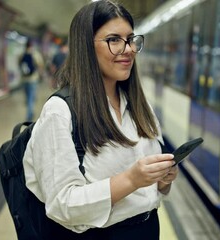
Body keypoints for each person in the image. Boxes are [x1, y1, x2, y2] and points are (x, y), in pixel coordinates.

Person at [22, 1, 178, 239]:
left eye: (130, 39)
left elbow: (148, 189)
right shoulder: (60, 112)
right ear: (85, 46)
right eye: (114, 40)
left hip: (147, 229)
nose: (128, 49)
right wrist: (131, 179)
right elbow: (62, 204)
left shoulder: (137, 104)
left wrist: (162, 180)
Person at [19, 40, 44, 121]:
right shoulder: (35, 54)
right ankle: (30, 114)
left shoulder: (21, 54)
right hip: (33, 79)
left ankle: (30, 112)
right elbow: (40, 65)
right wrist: (40, 75)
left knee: (27, 97)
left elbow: (19, 65)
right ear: (31, 46)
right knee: (31, 97)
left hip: (24, 79)